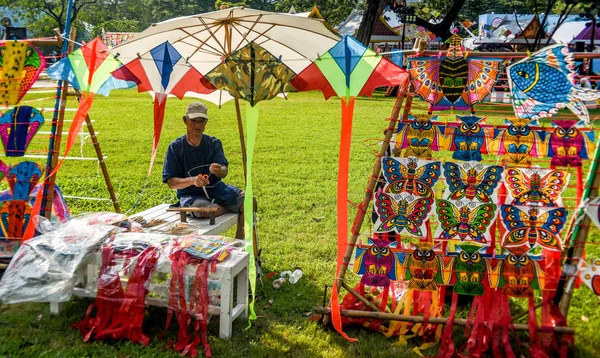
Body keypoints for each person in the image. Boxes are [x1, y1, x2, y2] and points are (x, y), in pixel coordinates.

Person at [162, 102, 246, 239]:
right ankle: (223, 208)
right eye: (193, 121)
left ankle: (239, 243)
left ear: (206, 122)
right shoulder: (175, 147)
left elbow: (224, 171)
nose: (198, 125)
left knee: (250, 203)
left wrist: (219, 170)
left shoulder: (214, 143)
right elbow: (171, 182)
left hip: (218, 190)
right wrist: (192, 180)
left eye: (201, 121)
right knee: (206, 211)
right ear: (185, 120)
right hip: (191, 195)